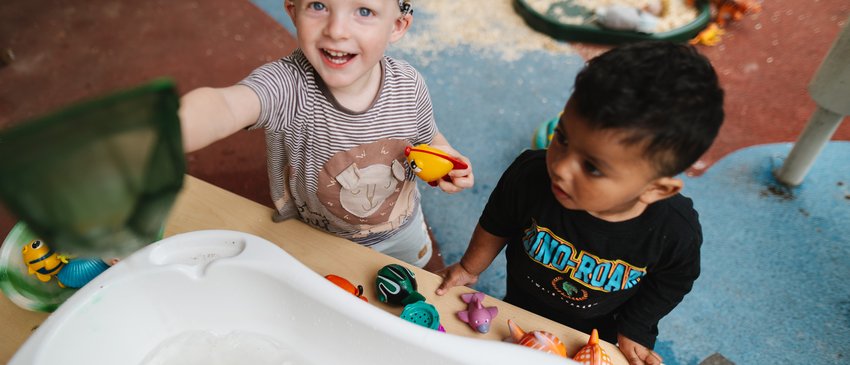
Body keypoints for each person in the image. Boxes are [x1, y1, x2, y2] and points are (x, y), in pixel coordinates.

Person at [435, 41, 724, 365]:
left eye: (593, 167)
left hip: (600, 331)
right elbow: (497, 221)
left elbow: (673, 279)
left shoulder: (673, 230)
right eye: (562, 137)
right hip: (520, 303)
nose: (559, 167)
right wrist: (468, 268)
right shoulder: (531, 174)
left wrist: (638, 327)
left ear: (656, 189)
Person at [178, 0, 473, 271]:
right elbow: (226, 105)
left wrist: (446, 156)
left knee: (412, 280)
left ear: (396, 26)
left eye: (364, 11)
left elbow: (428, 137)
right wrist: (168, 128)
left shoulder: (409, 85)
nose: (336, 30)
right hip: (315, 234)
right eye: (319, 5)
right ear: (293, 11)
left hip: (400, 229)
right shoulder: (286, 86)